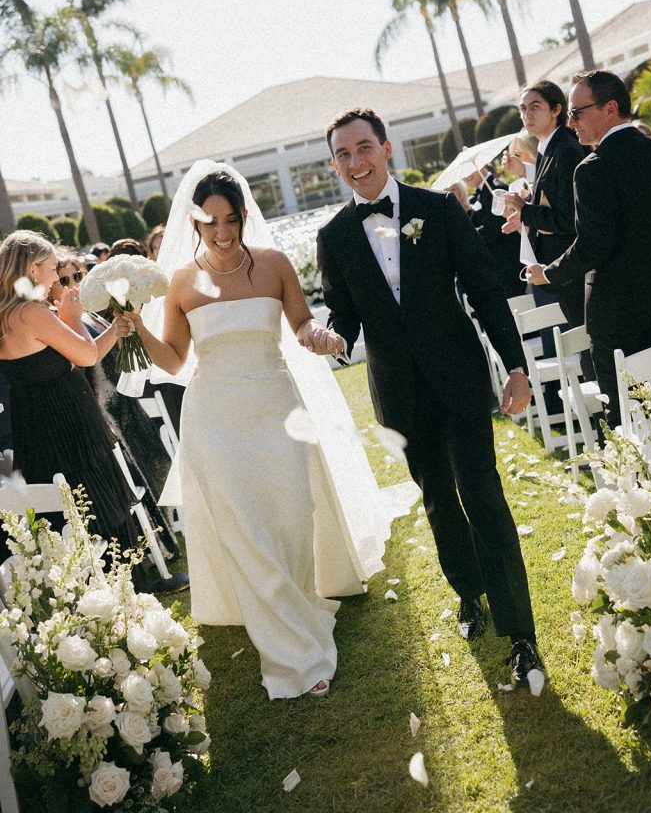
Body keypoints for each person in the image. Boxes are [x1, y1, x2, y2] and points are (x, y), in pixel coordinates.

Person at [120, 161, 393, 700]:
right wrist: (137, 327)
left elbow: (302, 324)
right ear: (195, 224)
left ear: (244, 216)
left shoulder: (273, 264)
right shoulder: (180, 282)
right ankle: (294, 654)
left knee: (293, 517)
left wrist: (324, 337)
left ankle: (299, 606)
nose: (222, 233)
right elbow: (175, 361)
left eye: (230, 220)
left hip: (276, 407)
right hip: (215, 418)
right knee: (248, 531)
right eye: (210, 223)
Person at [316, 107, 543, 687]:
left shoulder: (438, 210)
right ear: (336, 164)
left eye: (363, 148)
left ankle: (521, 637)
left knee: (484, 496)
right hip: (399, 395)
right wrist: (334, 337)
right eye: (343, 155)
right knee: (440, 502)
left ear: (385, 148)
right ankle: (469, 592)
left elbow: (487, 293)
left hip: (461, 382)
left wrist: (514, 366)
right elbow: (343, 314)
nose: (354, 162)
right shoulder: (334, 237)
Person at [526, 71, 651, 427]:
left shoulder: (592, 169)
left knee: (628, 420)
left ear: (610, 109)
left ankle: (641, 485)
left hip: (621, 320)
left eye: (577, 112)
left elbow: (594, 245)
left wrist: (549, 273)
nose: (571, 122)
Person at [0, 231, 140, 556]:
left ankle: (95, 586)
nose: (54, 278)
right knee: (92, 499)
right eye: (51, 269)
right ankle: (124, 579)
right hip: (66, 423)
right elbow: (86, 355)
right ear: (32, 269)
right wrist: (74, 318)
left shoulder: (7, 314)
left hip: (35, 424)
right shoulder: (29, 312)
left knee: (65, 510)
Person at [47, 252, 182, 579]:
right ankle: (154, 551)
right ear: (52, 287)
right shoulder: (63, 318)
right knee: (132, 479)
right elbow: (87, 358)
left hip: (122, 397)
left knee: (156, 461)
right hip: (101, 403)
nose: (73, 285)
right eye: (63, 281)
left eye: (76, 276)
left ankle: (165, 537)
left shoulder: (90, 312)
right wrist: (115, 333)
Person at [502, 81, 586, 332]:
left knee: (589, 345)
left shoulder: (565, 149)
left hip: (573, 268)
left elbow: (569, 217)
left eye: (535, 107)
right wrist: (524, 219)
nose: (527, 114)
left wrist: (524, 209)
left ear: (556, 109)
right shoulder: (547, 148)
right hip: (559, 270)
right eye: (523, 108)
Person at [462, 166, 527, 300]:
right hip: (497, 269)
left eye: (469, 170)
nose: (467, 175)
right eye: (463, 172)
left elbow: (492, 230)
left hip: (508, 267)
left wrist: (462, 236)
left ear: (480, 166)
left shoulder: (496, 189)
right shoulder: (480, 193)